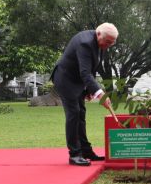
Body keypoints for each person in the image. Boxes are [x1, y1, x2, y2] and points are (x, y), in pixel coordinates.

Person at [50, 23, 118, 166]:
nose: (109, 45)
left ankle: (86, 151)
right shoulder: (85, 43)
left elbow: (92, 66)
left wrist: (88, 90)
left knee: (81, 113)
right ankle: (74, 155)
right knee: (74, 113)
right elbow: (85, 72)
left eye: (112, 43)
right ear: (99, 34)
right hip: (65, 79)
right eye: (108, 42)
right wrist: (100, 94)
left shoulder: (101, 42)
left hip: (78, 81)